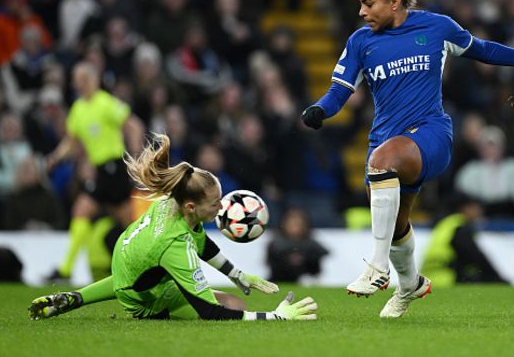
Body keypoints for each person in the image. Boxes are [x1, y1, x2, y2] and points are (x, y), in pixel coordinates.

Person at [301, 0, 514, 318]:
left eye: (369, 3)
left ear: (394, 1)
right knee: (397, 225)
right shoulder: (361, 42)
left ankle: (377, 268)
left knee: (381, 164)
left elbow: (484, 51)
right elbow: (339, 92)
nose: (362, 12)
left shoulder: (437, 27)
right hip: (387, 140)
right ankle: (409, 283)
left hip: (431, 134)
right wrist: (320, 110)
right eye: (359, 4)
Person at [29, 133, 317, 321]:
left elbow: (202, 244)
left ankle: (75, 297)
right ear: (192, 207)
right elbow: (209, 312)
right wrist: (275, 316)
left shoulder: (172, 202)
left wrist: (238, 275)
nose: (222, 208)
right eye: (215, 203)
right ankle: (149, 310)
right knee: (234, 308)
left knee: (136, 274)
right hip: (142, 297)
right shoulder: (174, 244)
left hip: (127, 262)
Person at [45, 61, 145, 282]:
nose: (78, 83)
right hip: (101, 171)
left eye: (82, 78)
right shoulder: (78, 109)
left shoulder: (105, 103)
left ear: (92, 79)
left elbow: (134, 125)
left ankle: (67, 270)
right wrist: (55, 157)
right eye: (76, 79)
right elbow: (71, 141)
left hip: (115, 167)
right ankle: (67, 270)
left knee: (117, 218)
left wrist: (136, 156)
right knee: (101, 214)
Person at [420, 193, 509, 287]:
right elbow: (476, 256)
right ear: (466, 208)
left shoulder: (446, 224)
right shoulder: (459, 227)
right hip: (446, 278)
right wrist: (498, 279)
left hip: (430, 278)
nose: (480, 211)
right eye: (476, 207)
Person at [266, 208, 329, 283]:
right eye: (291, 224)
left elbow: (317, 266)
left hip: (306, 282)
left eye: (298, 224)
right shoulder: (276, 244)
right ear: (285, 225)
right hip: (279, 280)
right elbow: (272, 265)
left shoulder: (311, 244)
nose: (294, 228)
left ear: (305, 225)